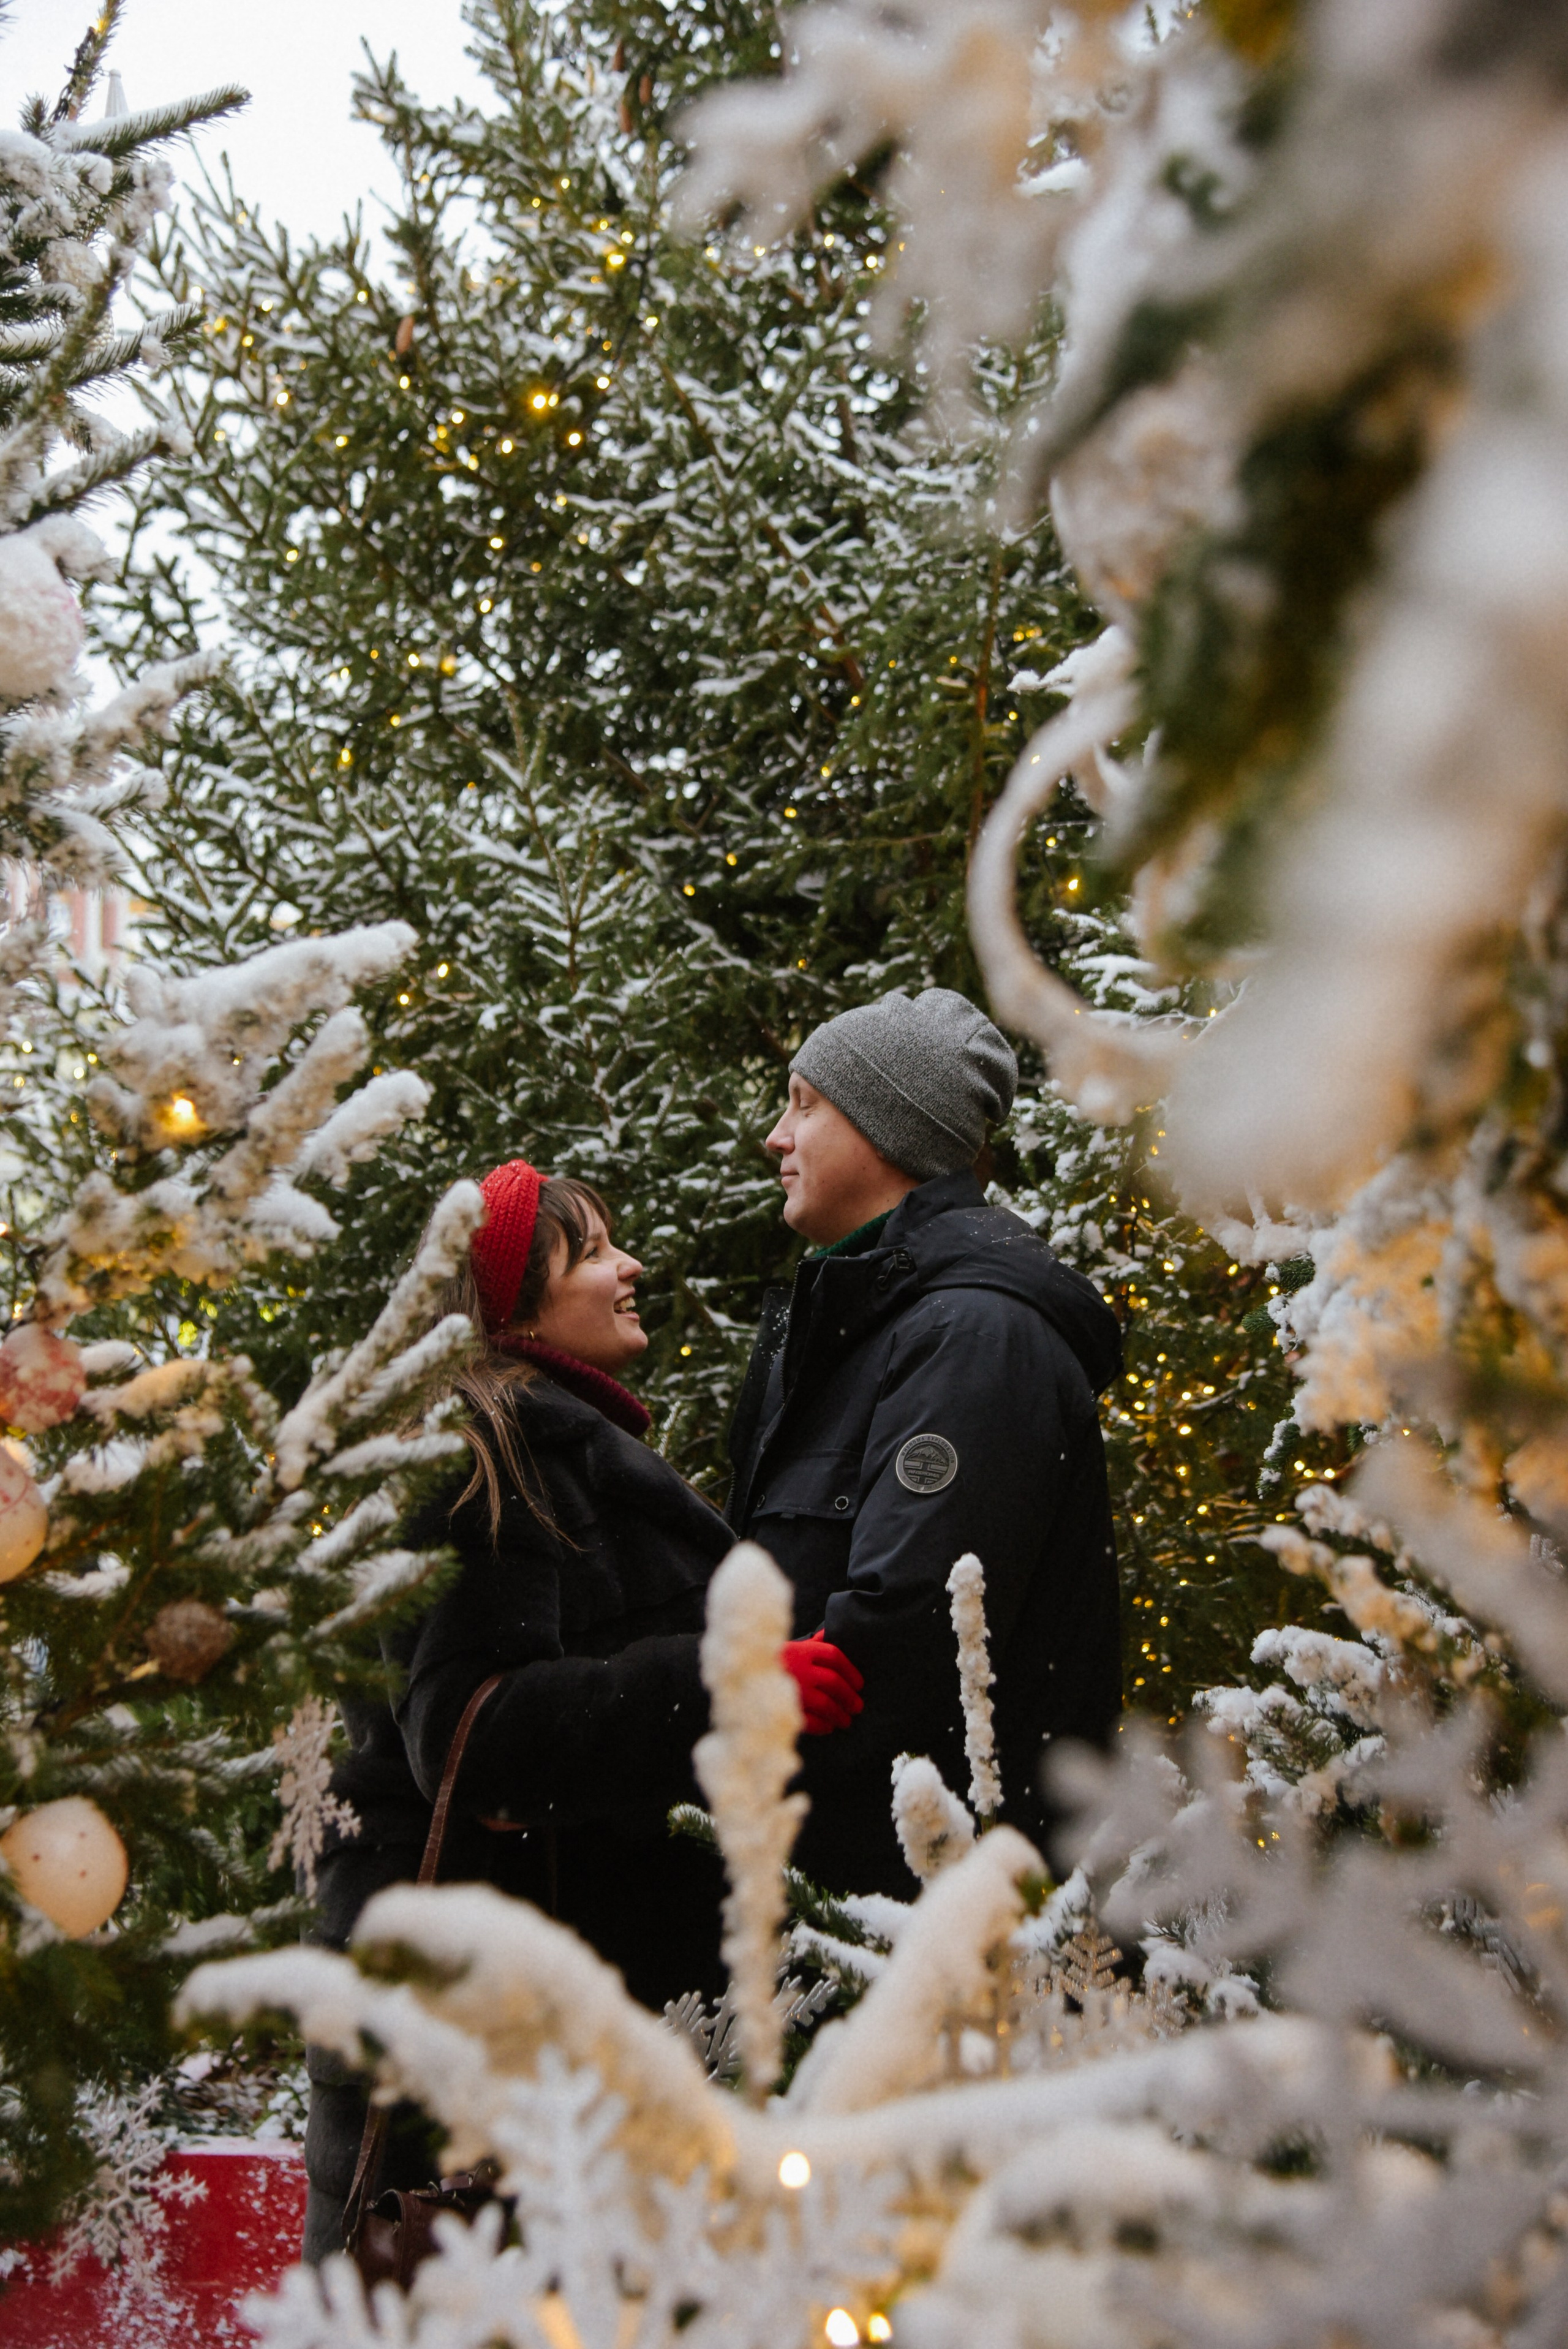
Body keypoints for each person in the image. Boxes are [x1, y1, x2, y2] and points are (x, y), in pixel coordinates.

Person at [302, 1161, 733, 2262]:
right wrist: (722, 1674)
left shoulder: (551, 1444)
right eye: (591, 1252)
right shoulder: (478, 1451)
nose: (629, 1266)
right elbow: (473, 1736)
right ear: (513, 1305)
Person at [728, 987, 1124, 1898]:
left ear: (887, 1130)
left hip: (922, 1906)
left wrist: (699, 1734)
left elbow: (911, 1641)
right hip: (828, 1884)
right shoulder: (855, 1327)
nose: (775, 1140)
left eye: (804, 1105)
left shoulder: (975, 1339)